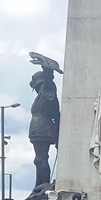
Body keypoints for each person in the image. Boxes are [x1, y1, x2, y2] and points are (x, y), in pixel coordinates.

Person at [28, 54, 61, 188]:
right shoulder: (43, 95)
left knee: (41, 158)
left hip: (42, 127)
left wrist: (46, 68)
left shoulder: (47, 90)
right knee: (39, 159)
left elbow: (48, 80)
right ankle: (39, 184)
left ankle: (42, 184)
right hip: (38, 127)